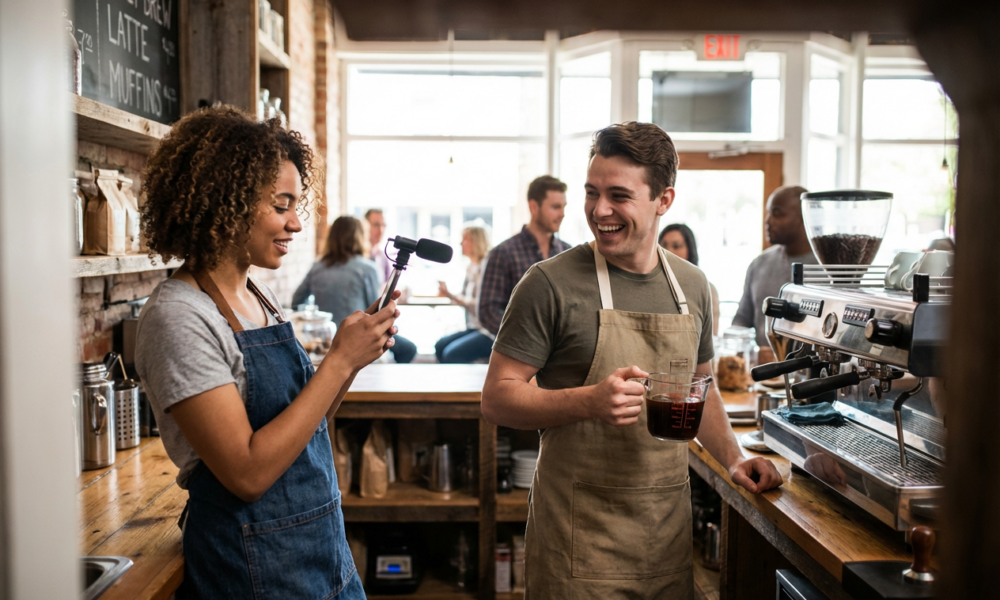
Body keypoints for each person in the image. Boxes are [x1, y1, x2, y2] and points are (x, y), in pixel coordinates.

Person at [481, 122, 782, 600]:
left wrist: (734, 459)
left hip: (664, 537)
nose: (600, 211)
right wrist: (590, 401)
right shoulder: (547, 284)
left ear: (664, 200)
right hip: (576, 544)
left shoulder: (694, 287)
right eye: (591, 193)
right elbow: (497, 399)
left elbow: (701, 389)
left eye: (618, 195)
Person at [135, 106, 400, 599]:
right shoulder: (179, 317)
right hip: (254, 571)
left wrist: (351, 361)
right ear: (226, 202)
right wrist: (338, 359)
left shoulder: (261, 297)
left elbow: (306, 423)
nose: (296, 223)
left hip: (323, 554)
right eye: (281, 205)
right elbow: (247, 472)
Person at [293, 216, 417, 364]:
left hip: (326, 341)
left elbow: (297, 302)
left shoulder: (317, 267)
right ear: (360, 237)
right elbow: (378, 311)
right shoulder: (367, 269)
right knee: (409, 349)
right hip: (359, 337)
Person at [477, 175, 570, 336]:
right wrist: (527, 338)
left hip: (562, 353)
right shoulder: (503, 253)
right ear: (534, 207)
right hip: (517, 353)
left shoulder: (568, 253)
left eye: (563, 207)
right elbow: (488, 311)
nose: (562, 214)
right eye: (555, 207)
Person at [732, 185, 817, 354]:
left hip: (813, 373)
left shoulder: (827, 268)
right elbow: (742, 319)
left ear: (803, 217)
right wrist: (743, 352)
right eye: (768, 212)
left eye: (777, 213)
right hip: (765, 375)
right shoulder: (759, 264)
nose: (767, 220)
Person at [361, 207, 419, 362]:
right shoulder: (360, 260)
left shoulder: (382, 257)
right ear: (365, 226)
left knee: (408, 348)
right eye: (375, 225)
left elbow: (384, 288)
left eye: (383, 225)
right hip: (366, 321)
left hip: (380, 318)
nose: (380, 230)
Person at [435, 225, 493, 363]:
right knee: (440, 346)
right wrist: (448, 294)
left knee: (452, 354)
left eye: (465, 239)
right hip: (474, 326)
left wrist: (455, 298)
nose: (461, 244)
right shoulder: (471, 267)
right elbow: (464, 297)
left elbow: (481, 303)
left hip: (488, 331)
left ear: (476, 242)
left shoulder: (488, 267)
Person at [659, 223, 721, 335]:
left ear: (690, 250)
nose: (667, 251)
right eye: (663, 245)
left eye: (676, 246)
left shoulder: (706, 289)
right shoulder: (652, 286)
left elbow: (712, 337)